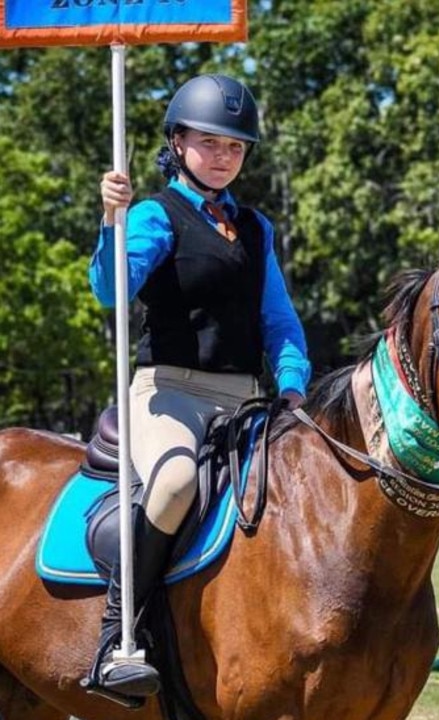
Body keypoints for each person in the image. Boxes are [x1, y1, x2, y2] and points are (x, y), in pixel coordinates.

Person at [86, 73, 310, 697]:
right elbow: (110, 291)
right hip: (171, 395)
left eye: (235, 147)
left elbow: (280, 321)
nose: (222, 156)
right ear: (177, 141)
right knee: (178, 480)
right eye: (209, 142)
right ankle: (117, 636)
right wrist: (113, 219)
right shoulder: (156, 214)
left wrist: (292, 384)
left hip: (246, 400)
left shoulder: (257, 229)